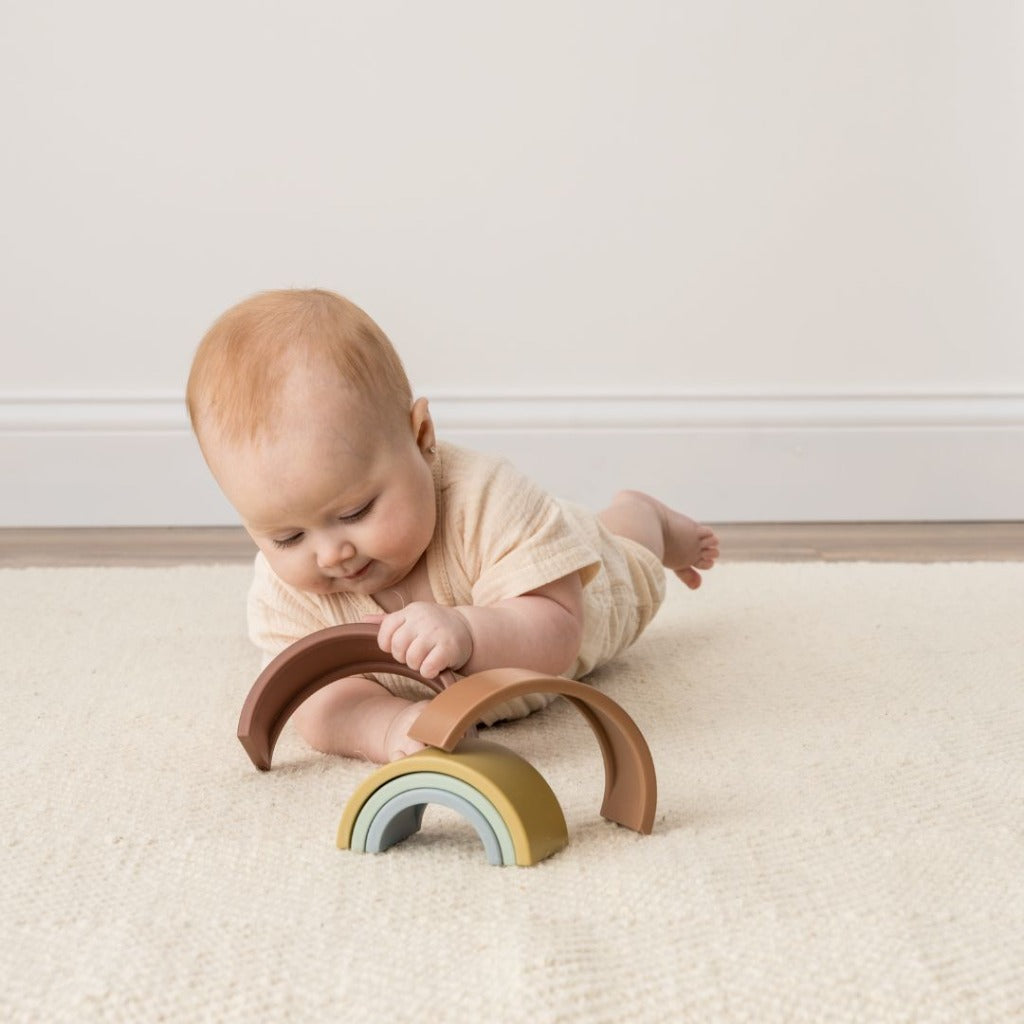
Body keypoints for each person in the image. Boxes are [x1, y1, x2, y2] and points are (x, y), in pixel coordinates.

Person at [187, 289, 719, 763]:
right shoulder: (285, 592)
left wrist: (468, 631)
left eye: (354, 513)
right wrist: (386, 724)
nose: (330, 554)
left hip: (583, 590)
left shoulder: (486, 498)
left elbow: (557, 630)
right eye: (287, 537)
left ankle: (648, 515)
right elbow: (316, 702)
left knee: (625, 547)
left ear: (421, 438)